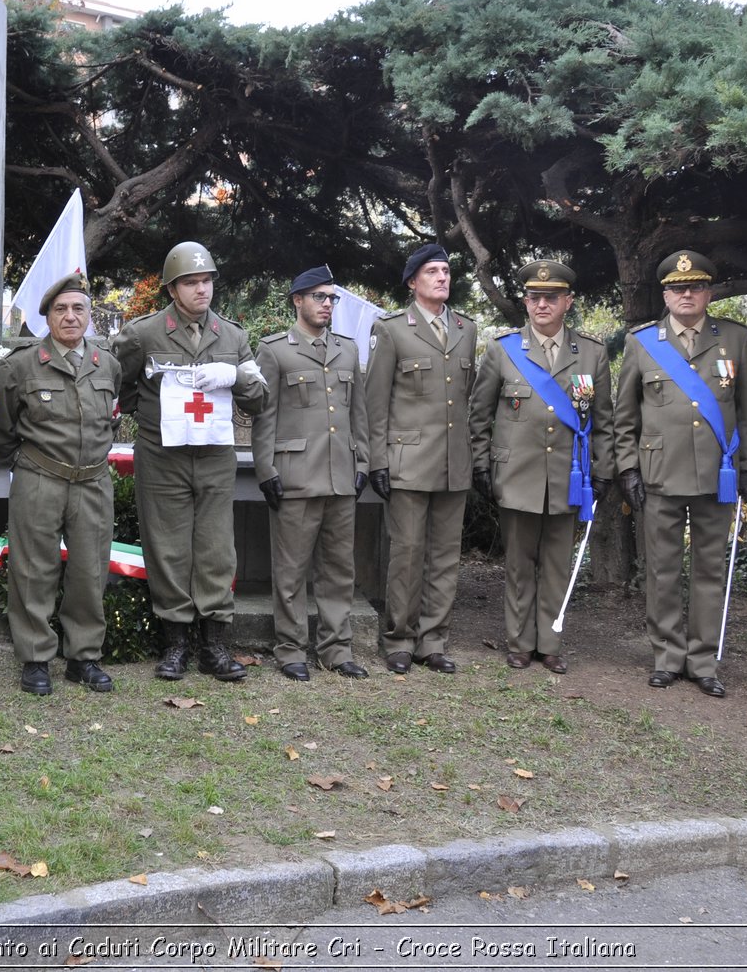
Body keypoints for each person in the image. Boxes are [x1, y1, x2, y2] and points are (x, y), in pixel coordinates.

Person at [111, 242, 266, 681]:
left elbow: (259, 397)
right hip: (162, 456)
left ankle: (215, 644)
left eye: (207, 280)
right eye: (191, 282)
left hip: (215, 456)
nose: (202, 289)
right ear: (172, 289)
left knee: (217, 548)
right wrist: (146, 415)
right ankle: (176, 642)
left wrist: (234, 374)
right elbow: (115, 384)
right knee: (167, 547)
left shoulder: (232, 336)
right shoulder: (145, 334)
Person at [614, 250, 747, 698]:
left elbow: (746, 409)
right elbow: (625, 416)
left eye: (695, 287)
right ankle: (666, 657)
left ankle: (702, 661)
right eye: (678, 288)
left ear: (708, 293)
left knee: (709, 570)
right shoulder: (642, 342)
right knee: (661, 569)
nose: (686, 294)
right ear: (666, 294)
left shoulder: (735, 339)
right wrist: (628, 468)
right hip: (660, 473)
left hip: (718, 474)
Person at [0, 272, 123, 695]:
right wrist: (23, 463)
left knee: (89, 572)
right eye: (60, 309)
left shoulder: (106, 364)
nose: (70, 316)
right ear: (47, 316)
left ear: (89, 315)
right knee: (33, 571)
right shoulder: (19, 366)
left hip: (93, 483)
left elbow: (109, 420)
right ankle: (36, 659)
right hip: (39, 479)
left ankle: (84, 657)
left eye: (78, 308)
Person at [470, 259, 613, 674]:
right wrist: (482, 465)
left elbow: (603, 420)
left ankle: (549, 641)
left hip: (569, 477)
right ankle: (519, 641)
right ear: (526, 302)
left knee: (556, 565)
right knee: (518, 564)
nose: (542, 304)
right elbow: (478, 416)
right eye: (534, 297)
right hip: (517, 475)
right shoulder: (503, 350)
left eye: (551, 297)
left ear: (568, 301)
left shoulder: (590, 352)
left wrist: (602, 470)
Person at [252, 265, 371, 681]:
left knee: (340, 570)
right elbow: (263, 417)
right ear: (298, 300)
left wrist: (362, 462)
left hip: (340, 475)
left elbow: (358, 413)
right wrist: (266, 468)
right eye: (319, 297)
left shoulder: (348, 349)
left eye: (332, 298)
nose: (327, 305)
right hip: (295, 475)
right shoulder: (274, 350)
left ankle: (336, 650)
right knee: (291, 570)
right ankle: (290, 650)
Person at [365, 243, 477, 675]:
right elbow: (376, 403)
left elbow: (467, 400)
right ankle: (399, 638)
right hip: (407, 460)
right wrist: (377, 461)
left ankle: (434, 640)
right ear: (413, 282)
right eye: (432, 271)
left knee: (446, 555)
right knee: (408, 553)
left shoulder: (466, 329)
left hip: (454, 462)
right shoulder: (392, 329)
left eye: (446, 271)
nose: (442, 277)